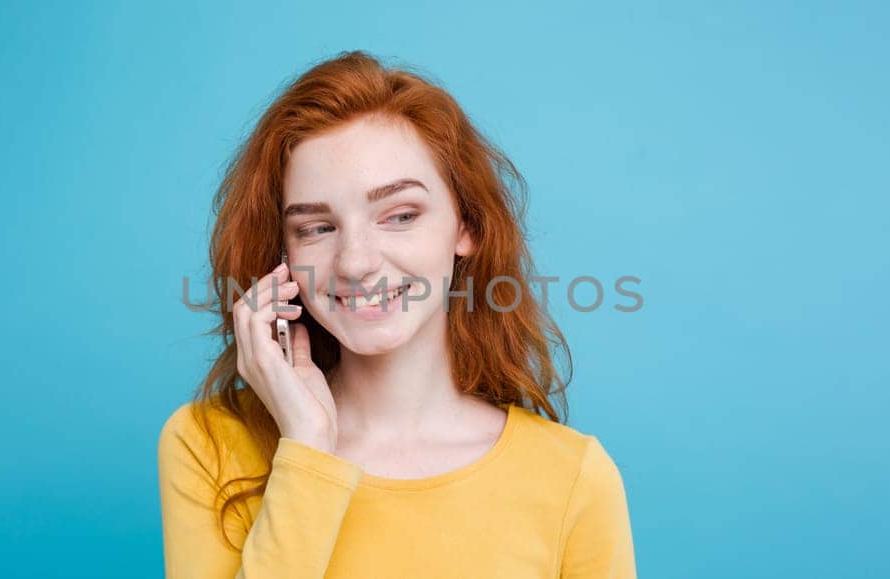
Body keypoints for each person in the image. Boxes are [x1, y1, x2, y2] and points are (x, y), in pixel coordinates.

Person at [158, 50, 636, 578]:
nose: (357, 262)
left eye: (400, 215)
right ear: (283, 257)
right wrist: (307, 450)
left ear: (466, 227)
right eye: (316, 228)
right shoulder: (208, 445)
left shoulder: (572, 477)